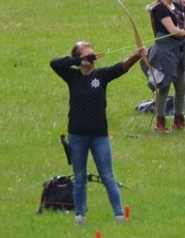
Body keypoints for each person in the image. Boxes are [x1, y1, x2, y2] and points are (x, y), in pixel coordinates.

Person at [50, 40, 145, 224]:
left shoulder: (101, 76)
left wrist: (136, 55)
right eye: (87, 55)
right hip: (77, 135)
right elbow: (54, 63)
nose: (92, 59)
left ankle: (119, 214)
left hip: (99, 135)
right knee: (79, 178)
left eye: (92, 55)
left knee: (108, 176)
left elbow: (121, 68)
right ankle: (80, 215)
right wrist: (76, 61)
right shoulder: (72, 76)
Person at [147, 0, 185, 131]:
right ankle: (160, 122)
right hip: (165, 52)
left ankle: (178, 120)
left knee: (181, 87)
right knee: (164, 86)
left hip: (179, 50)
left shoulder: (178, 6)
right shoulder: (160, 9)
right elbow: (173, 30)